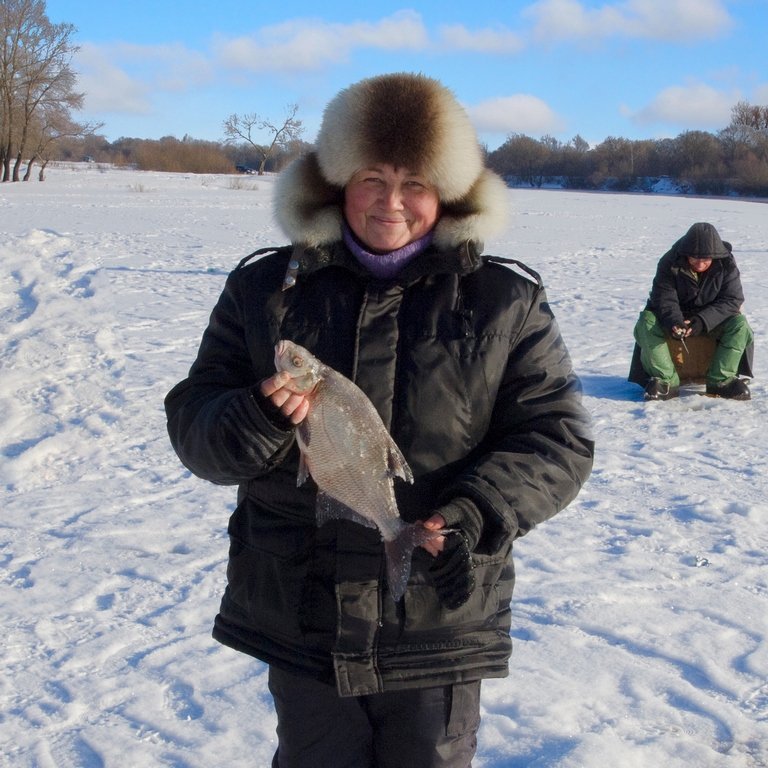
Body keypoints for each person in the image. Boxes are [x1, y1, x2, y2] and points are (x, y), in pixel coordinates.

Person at [164, 72, 594, 768]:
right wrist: (256, 418)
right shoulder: (264, 290)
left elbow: (557, 440)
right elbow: (195, 427)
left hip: (438, 615)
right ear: (338, 182)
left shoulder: (504, 301)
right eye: (372, 178)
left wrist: (474, 514)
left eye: (415, 182)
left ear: (447, 193)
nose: (392, 203)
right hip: (301, 611)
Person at [629, 221, 754, 401]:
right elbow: (664, 297)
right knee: (646, 321)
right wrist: (675, 321)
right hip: (672, 317)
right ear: (686, 254)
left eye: (706, 259)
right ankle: (665, 381)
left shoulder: (726, 263)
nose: (700, 264)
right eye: (695, 258)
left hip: (712, 319)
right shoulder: (669, 261)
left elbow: (732, 300)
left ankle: (721, 381)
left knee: (740, 325)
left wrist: (702, 321)